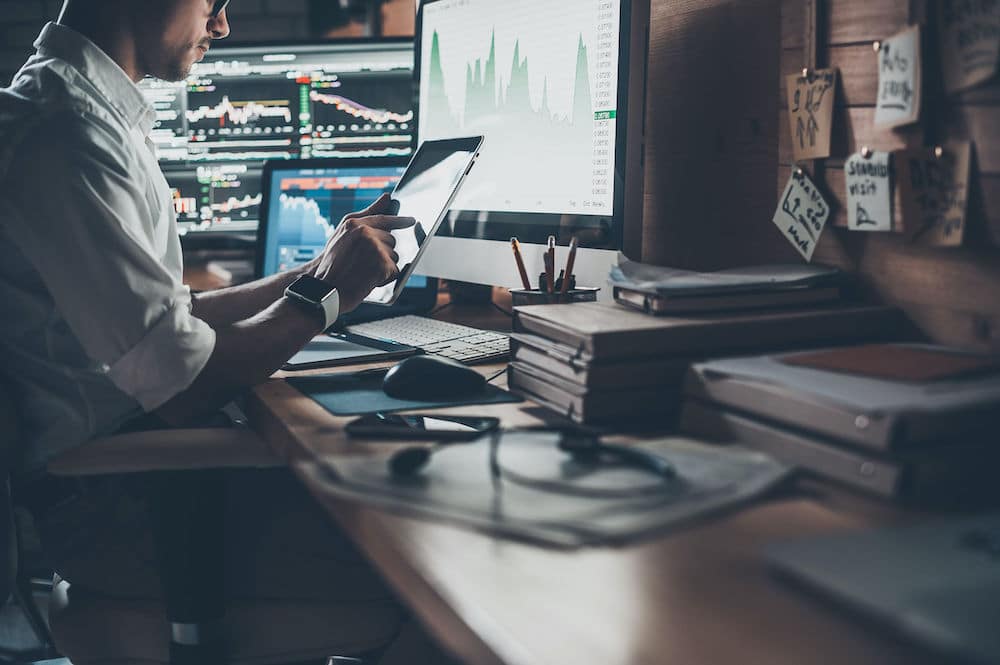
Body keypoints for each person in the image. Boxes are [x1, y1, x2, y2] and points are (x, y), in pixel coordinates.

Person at [0, 0, 447, 661]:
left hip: (143, 485)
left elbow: (170, 324)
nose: (223, 24)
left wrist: (319, 271)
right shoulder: (68, 137)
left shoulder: (76, 113)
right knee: (433, 575)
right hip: (123, 508)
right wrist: (325, 297)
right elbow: (184, 386)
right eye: (214, 2)